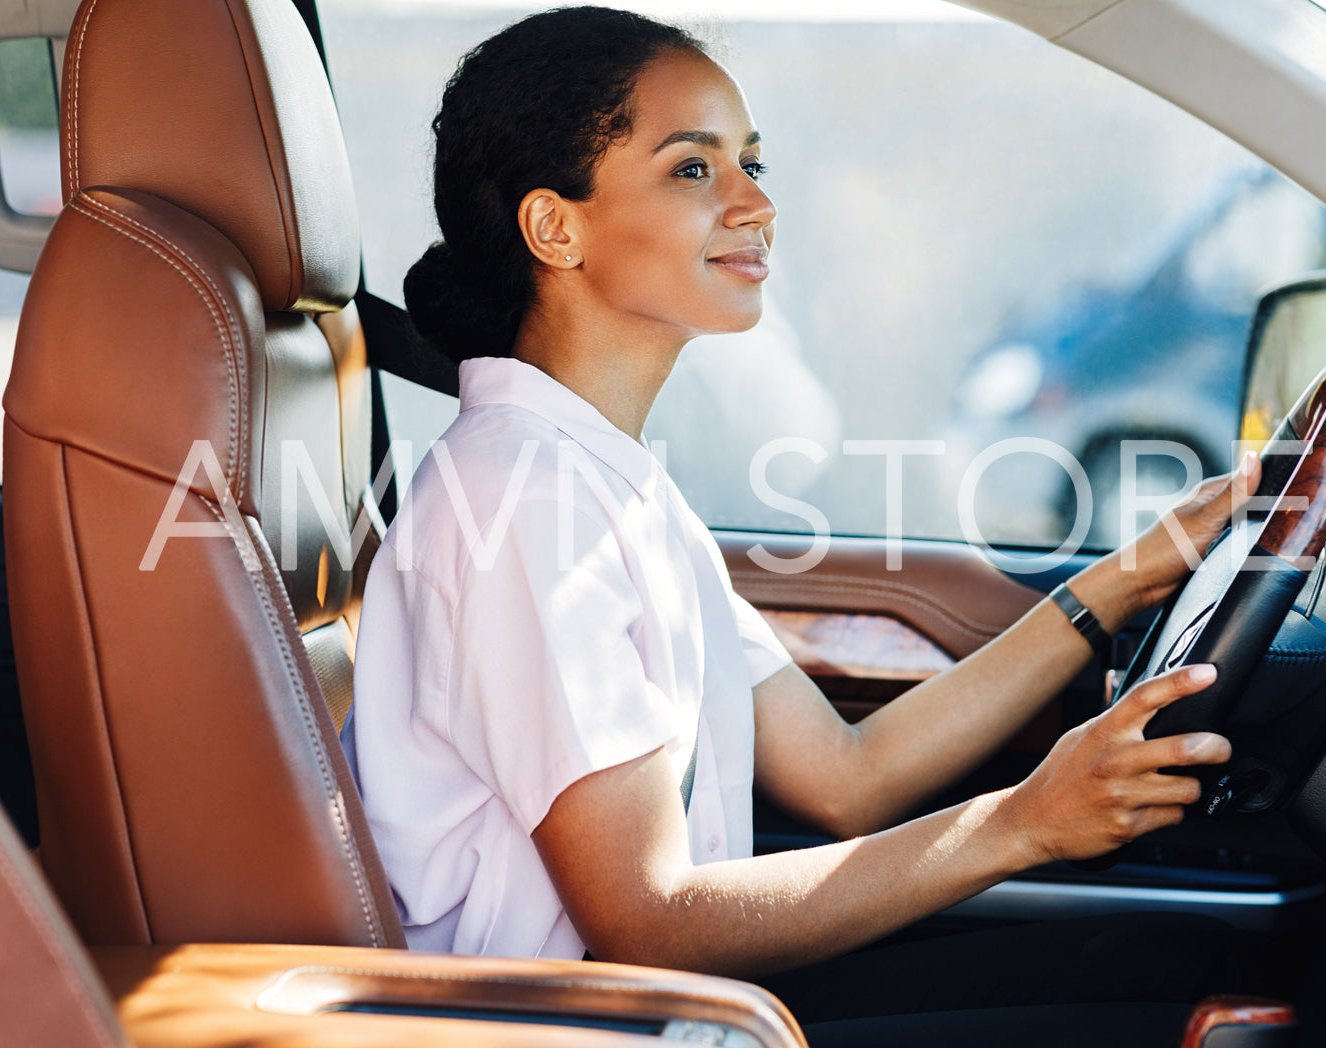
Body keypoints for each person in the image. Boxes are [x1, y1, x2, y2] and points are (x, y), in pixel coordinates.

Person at [344, 7, 1265, 1045]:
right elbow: (645, 918)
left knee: (1146, 964)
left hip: (669, 1011)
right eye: (694, 170)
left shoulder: (609, 483)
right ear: (556, 227)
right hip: (594, 1026)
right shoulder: (528, 503)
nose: (757, 203)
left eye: (751, 160)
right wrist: (1021, 823)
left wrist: (1124, 578)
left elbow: (843, 776)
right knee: (1167, 986)